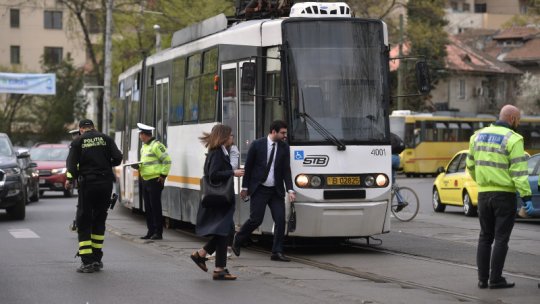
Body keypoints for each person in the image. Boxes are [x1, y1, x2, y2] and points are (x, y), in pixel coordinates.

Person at [465, 104, 532, 289]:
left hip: (484, 194)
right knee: (501, 238)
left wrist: (483, 182)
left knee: (485, 237)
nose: (518, 123)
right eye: (518, 119)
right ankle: (495, 279)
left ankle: (482, 280)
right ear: (512, 119)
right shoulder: (514, 139)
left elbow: (469, 165)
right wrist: (526, 198)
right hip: (504, 196)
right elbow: (519, 172)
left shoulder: (477, 136)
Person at [232, 120, 296, 262]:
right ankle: (238, 238)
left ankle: (277, 252)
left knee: (280, 220)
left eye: (285, 133)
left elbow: (286, 170)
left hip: (276, 191)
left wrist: (290, 189)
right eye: (282, 133)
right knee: (256, 220)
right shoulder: (257, 144)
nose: (285, 135)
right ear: (273, 131)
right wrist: (245, 188)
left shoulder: (285, 147)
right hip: (259, 188)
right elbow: (248, 167)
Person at [65, 119, 123, 273]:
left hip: (88, 185)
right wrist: (105, 162)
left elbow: (71, 166)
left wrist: (70, 179)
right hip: (105, 185)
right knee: (99, 219)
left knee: (84, 221)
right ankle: (97, 259)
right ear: (93, 127)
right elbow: (118, 158)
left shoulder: (78, 141)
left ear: (81, 129)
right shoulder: (106, 138)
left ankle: (87, 261)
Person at [190, 124, 244, 280]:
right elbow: (213, 174)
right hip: (220, 199)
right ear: (224, 136)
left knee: (224, 232)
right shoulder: (217, 153)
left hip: (220, 199)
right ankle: (216, 266)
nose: (232, 138)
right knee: (224, 232)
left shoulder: (219, 151)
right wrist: (233, 172)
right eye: (230, 135)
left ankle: (207, 259)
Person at [132, 123, 171, 240]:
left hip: (155, 180)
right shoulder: (144, 147)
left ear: (145, 135)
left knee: (155, 207)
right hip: (145, 180)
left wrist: (163, 175)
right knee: (148, 208)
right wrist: (138, 166)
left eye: (140, 134)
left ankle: (158, 233)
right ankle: (150, 231)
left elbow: (167, 160)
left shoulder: (156, 145)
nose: (139, 137)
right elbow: (147, 163)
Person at [68, 129, 81, 232]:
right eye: (72, 135)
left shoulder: (76, 146)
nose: (73, 137)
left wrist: (70, 179)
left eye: (75, 135)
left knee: (81, 204)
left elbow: (71, 165)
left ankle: (78, 223)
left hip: (82, 179)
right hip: (81, 179)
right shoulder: (75, 145)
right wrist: (70, 179)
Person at [390, 132, 407, 212]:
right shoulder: (394, 135)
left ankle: (400, 200)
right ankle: (400, 201)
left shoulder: (383, 135)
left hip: (391, 158)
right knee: (392, 182)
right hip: (397, 158)